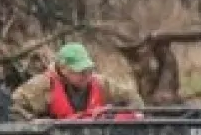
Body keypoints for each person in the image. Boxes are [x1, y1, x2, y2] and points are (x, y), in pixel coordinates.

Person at [10, 42, 140, 121]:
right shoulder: (42, 85)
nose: (86, 75)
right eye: (80, 71)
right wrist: (33, 122)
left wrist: (135, 114)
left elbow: (132, 98)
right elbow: (13, 109)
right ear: (63, 69)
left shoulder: (101, 84)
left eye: (88, 70)